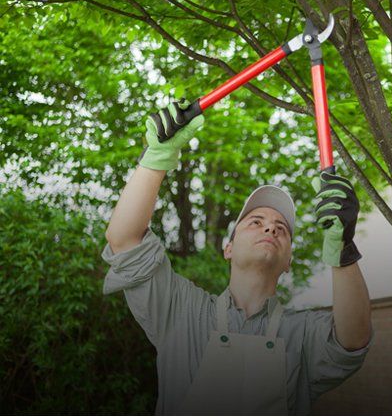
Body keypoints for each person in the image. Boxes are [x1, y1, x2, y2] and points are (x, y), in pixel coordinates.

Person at [102, 100, 374, 415]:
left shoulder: (303, 334)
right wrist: (156, 157)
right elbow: (124, 240)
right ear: (228, 248)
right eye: (256, 222)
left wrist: (343, 250)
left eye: (281, 229)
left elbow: (352, 341)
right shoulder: (181, 310)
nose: (270, 228)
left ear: (288, 262)